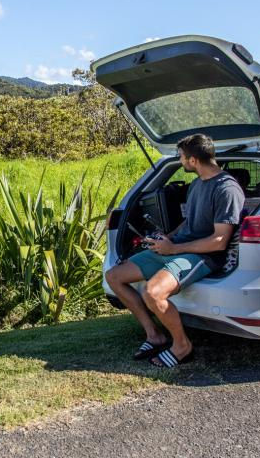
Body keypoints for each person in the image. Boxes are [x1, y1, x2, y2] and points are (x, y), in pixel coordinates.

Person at [105, 133, 245, 368]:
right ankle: (154, 335)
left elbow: (219, 241)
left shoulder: (227, 190)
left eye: (181, 157)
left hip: (203, 255)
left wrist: (174, 248)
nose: (180, 161)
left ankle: (182, 346)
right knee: (114, 277)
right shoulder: (197, 184)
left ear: (193, 160)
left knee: (152, 292)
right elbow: (189, 222)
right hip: (178, 247)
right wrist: (167, 238)